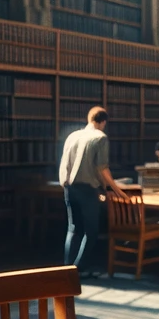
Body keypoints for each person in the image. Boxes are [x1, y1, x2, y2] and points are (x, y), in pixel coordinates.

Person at [60, 106, 125, 276]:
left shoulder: (72, 136)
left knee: (73, 229)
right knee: (91, 231)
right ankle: (79, 268)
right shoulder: (100, 137)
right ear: (103, 122)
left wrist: (64, 184)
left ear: (90, 119)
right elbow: (102, 168)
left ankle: (67, 268)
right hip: (88, 189)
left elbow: (64, 163)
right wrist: (116, 189)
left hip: (69, 187)